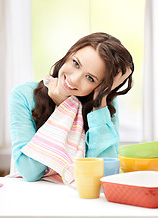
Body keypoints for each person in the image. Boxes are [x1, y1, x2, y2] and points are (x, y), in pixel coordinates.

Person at [10, 32, 134, 182]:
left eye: (90, 78)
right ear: (69, 54)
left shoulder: (103, 107)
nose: (74, 79)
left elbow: (104, 173)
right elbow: (30, 171)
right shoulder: (24, 95)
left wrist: (100, 102)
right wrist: (63, 110)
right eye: (76, 63)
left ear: (101, 86)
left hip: (81, 198)